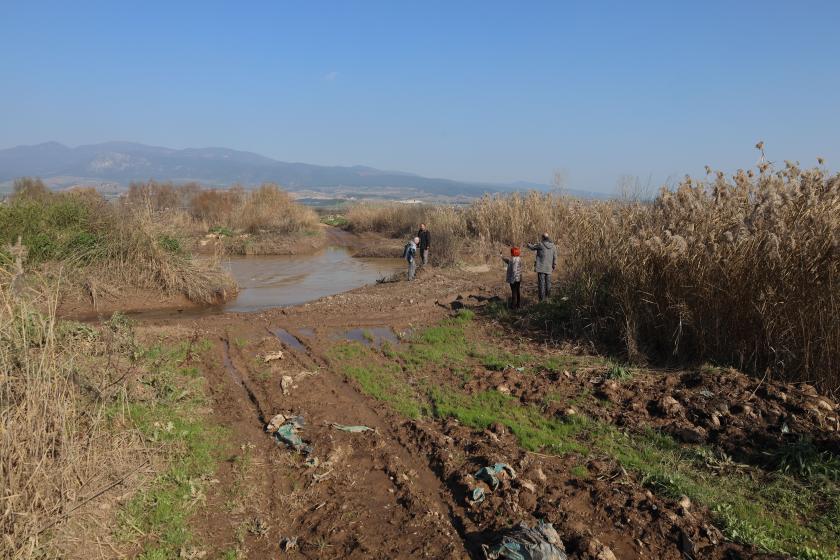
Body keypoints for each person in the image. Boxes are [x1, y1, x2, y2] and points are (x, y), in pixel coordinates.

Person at [527, 232, 556, 301]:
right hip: (549, 267)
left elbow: (532, 247)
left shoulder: (540, 244)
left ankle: (542, 299)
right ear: (548, 238)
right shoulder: (553, 246)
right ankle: (548, 298)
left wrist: (528, 244)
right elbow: (555, 256)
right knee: (548, 283)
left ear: (542, 237)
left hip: (541, 267)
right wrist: (554, 265)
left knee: (541, 284)